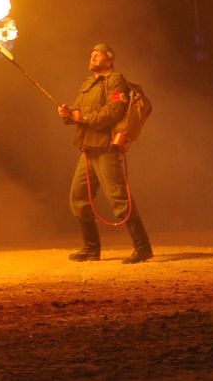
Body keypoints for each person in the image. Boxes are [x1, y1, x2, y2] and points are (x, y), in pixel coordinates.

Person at [56, 42, 153, 263]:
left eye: (98, 55)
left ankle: (143, 247)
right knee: (78, 197)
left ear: (109, 59)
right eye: (91, 55)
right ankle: (91, 249)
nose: (93, 58)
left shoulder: (115, 80)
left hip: (106, 147)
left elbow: (114, 110)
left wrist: (86, 119)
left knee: (118, 197)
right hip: (88, 148)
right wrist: (67, 113)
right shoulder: (88, 84)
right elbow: (77, 110)